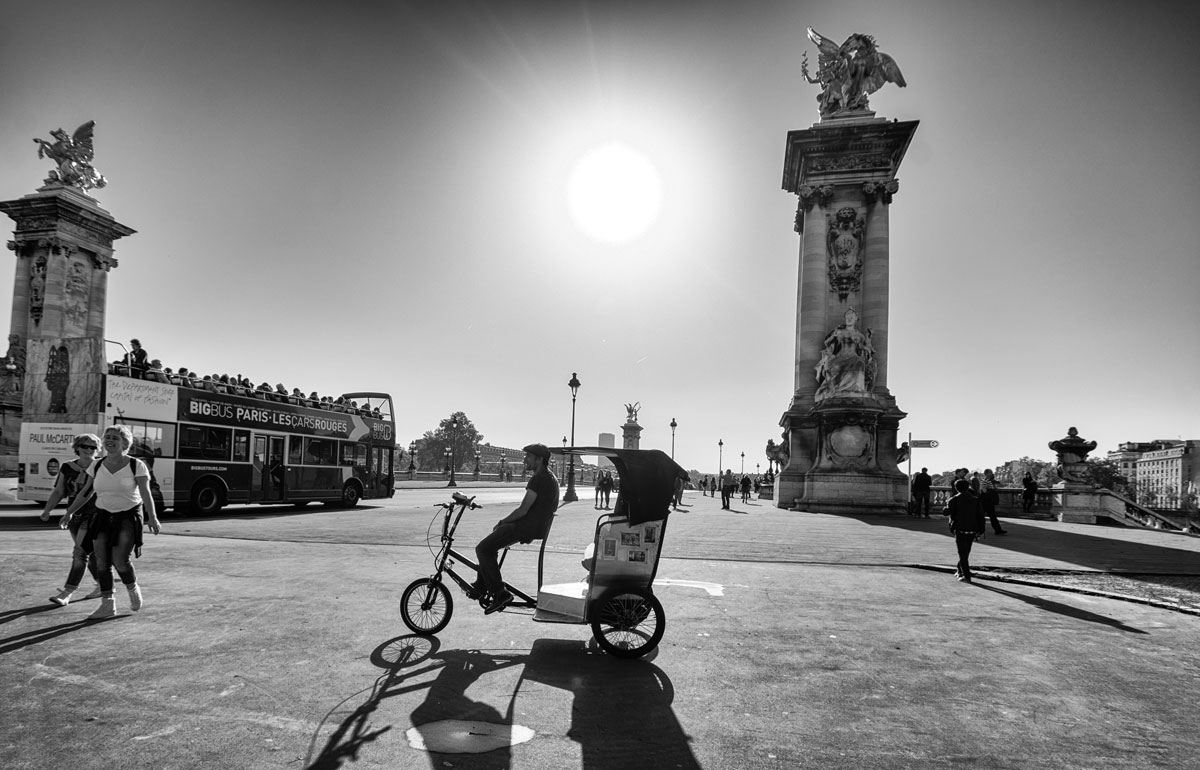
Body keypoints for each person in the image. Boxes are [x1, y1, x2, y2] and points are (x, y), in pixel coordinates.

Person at [63, 424, 161, 619]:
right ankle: (108, 604)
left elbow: (145, 493)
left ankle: (132, 589)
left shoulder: (136, 465)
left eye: (115, 438)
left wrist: (153, 517)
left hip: (128, 516)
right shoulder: (97, 465)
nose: (109, 440)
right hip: (101, 516)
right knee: (101, 561)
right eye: (107, 437)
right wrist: (69, 513)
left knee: (120, 560)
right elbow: (86, 492)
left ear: (125, 443)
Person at [473, 443, 558, 614]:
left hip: (525, 527)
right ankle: (482, 585)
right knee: (491, 546)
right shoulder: (551, 477)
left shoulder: (539, 478)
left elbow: (523, 510)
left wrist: (502, 521)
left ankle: (500, 593)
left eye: (528, 456)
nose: (525, 459)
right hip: (534, 527)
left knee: (482, 549)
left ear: (539, 459)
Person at [41, 434, 103, 605]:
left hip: (95, 514)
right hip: (75, 515)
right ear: (77, 447)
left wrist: (68, 513)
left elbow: (90, 492)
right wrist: (47, 510)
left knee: (79, 553)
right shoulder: (67, 467)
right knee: (89, 553)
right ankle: (103, 585)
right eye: (85, 446)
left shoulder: (100, 466)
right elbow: (59, 491)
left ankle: (68, 592)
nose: (89, 450)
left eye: (93, 447)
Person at [944, 479, 985, 582]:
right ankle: (959, 570)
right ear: (967, 487)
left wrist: (945, 507)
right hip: (972, 528)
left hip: (960, 528)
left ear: (956, 488)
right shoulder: (976, 500)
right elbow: (980, 516)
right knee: (966, 552)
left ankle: (966, 576)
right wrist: (981, 530)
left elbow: (947, 513)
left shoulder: (954, 500)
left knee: (962, 553)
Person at [980, 468, 1006, 534]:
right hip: (987, 501)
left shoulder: (988, 480)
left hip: (987, 501)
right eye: (990, 472)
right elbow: (983, 489)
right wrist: (988, 495)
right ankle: (997, 530)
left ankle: (998, 530)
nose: (991, 473)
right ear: (986, 474)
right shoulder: (985, 480)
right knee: (990, 515)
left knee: (991, 515)